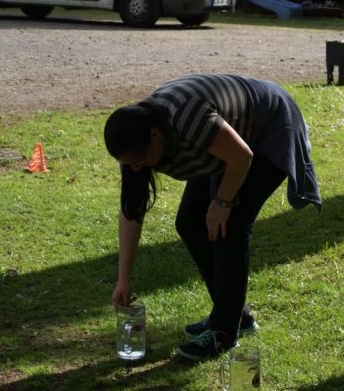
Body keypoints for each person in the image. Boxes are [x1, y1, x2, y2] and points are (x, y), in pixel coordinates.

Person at [104, 74, 322, 361]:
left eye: (139, 161)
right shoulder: (134, 143)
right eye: (129, 164)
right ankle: (235, 314)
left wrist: (222, 201)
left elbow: (241, 156)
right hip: (225, 146)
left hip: (268, 128)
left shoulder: (187, 117)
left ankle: (224, 331)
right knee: (191, 222)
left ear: (155, 136)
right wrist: (123, 279)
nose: (135, 169)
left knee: (229, 225)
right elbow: (131, 211)